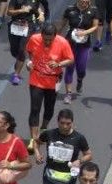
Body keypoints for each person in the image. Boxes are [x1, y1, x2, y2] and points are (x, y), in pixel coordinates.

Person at [25, 24, 75, 153]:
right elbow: (29, 51)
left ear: (55, 36)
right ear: (41, 35)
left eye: (50, 40)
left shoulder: (62, 42)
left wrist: (58, 63)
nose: (47, 42)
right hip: (36, 77)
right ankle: (33, 139)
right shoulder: (34, 39)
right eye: (45, 39)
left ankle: (43, 128)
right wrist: (30, 62)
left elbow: (70, 59)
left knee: (49, 108)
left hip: (53, 80)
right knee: (35, 108)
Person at [58, 0, 101, 102]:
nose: (84, 2)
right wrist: (55, 36)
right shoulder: (70, 9)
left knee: (81, 69)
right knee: (69, 68)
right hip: (70, 43)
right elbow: (62, 24)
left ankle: (80, 80)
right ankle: (68, 93)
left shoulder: (94, 10)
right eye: (82, 1)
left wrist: (85, 32)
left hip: (84, 45)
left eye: (87, 1)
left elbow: (95, 26)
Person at [5, 0, 41, 86]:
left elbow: (37, 9)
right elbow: (9, 12)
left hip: (28, 26)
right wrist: (21, 10)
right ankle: (19, 60)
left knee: (22, 49)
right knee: (14, 51)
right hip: (15, 26)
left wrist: (41, 15)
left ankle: (16, 74)